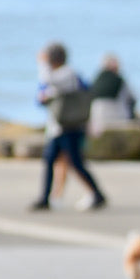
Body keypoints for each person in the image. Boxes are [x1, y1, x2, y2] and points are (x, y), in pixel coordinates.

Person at [29, 42, 106, 212]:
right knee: (50, 160)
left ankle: (97, 194)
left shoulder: (66, 73)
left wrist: (41, 62)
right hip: (59, 127)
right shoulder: (66, 75)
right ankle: (45, 198)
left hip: (69, 127)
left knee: (76, 163)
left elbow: (47, 80)